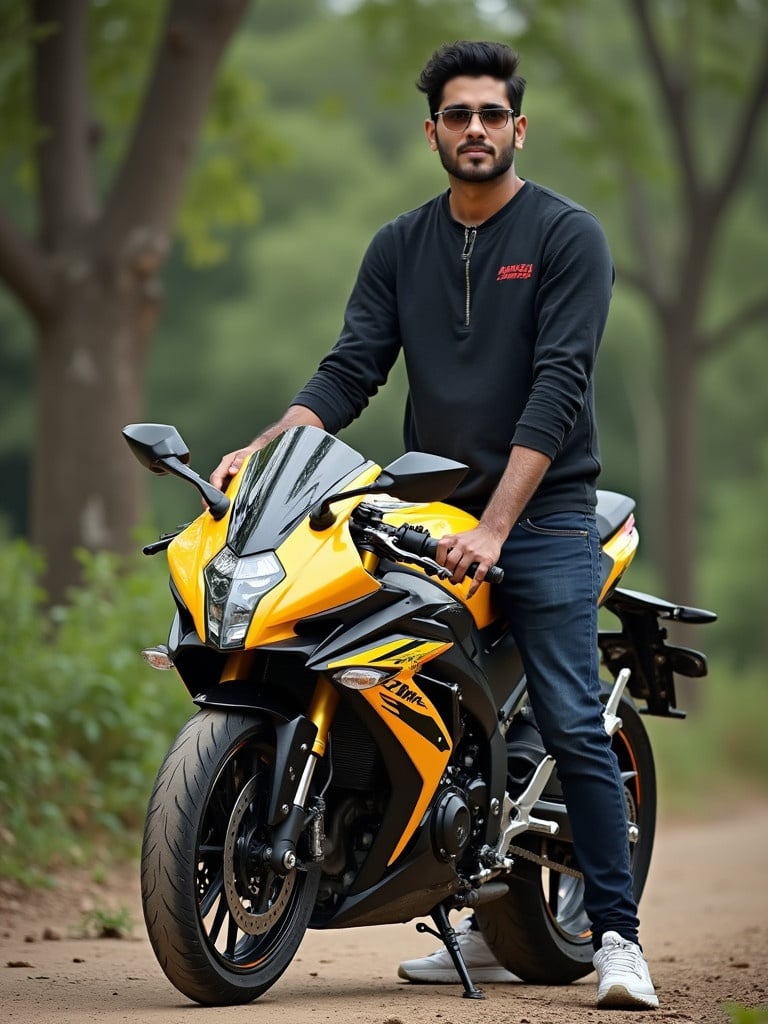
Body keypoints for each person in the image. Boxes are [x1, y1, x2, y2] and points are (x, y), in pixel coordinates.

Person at [210, 40, 658, 1011]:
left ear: (518, 128)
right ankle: (451, 884)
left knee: (575, 719)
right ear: (433, 133)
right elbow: (350, 369)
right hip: (424, 503)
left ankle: (617, 937)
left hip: (541, 517)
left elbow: (557, 388)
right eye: (458, 116)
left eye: (492, 115)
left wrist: (497, 527)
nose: (475, 131)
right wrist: (268, 447)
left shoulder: (568, 235)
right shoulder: (399, 245)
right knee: (366, 661)